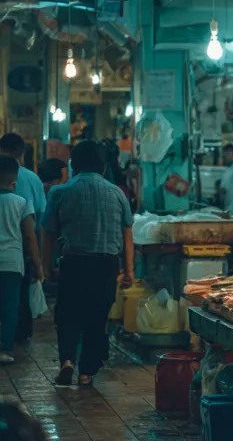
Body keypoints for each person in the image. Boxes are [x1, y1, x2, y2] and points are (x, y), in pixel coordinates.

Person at [42, 140, 134, 387]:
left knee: (68, 313)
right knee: (97, 317)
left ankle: (67, 362)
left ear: (73, 165)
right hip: (106, 265)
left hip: (73, 263)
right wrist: (129, 271)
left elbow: (48, 234)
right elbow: (127, 235)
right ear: (103, 166)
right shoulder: (117, 193)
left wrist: (46, 266)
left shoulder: (59, 192)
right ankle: (86, 372)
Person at [0, 133, 46, 344]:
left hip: (16, 256)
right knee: (14, 303)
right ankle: (10, 342)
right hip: (14, 258)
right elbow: (33, 230)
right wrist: (39, 263)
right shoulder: (28, 187)